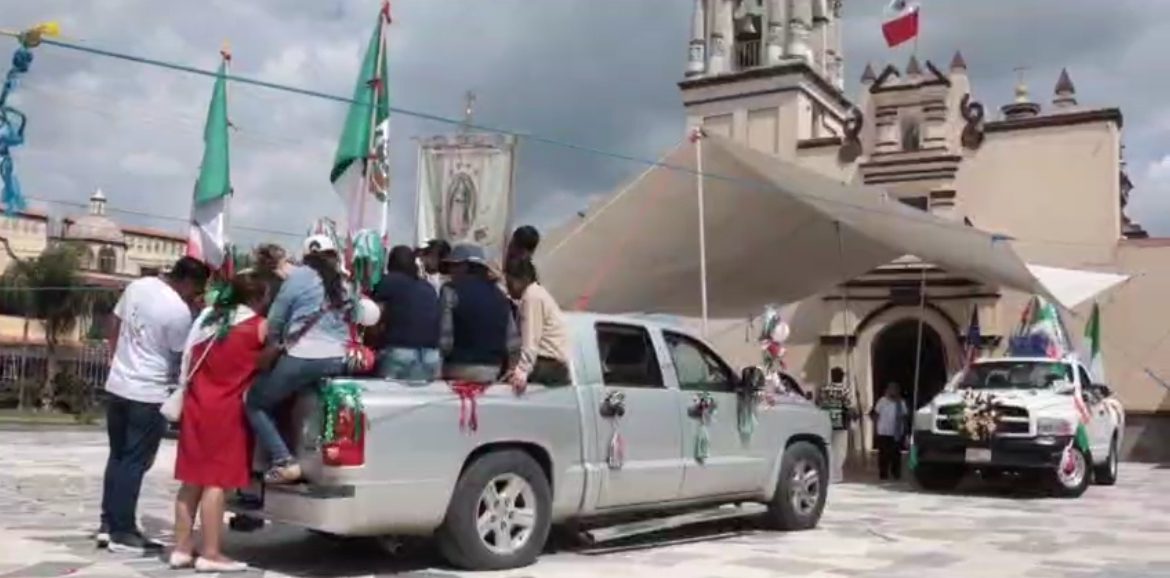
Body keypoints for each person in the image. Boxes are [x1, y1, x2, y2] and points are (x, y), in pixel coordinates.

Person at [97, 257, 210, 552]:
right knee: (136, 461)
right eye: (197, 289)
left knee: (118, 456)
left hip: (119, 384)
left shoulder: (139, 285)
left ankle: (108, 522)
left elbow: (115, 323)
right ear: (189, 282)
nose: (195, 295)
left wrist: (116, 360)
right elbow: (181, 352)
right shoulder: (177, 311)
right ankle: (123, 530)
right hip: (148, 392)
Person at [171, 273, 271, 573]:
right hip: (227, 409)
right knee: (216, 483)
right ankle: (211, 552)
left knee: (191, 481)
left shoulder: (207, 320)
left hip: (195, 405)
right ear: (257, 298)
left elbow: (186, 361)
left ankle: (181, 548)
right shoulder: (258, 326)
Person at [245, 235, 352, 484]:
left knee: (256, 403)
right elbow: (356, 315)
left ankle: (284, 460)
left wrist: (274, 344)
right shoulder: (345, 282)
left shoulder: (298, 277)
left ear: (305, 256)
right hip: (338, 357)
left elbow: (276, 320)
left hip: (303, 356)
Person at [439, 243, 520, 383]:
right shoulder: (500, 295)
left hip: (459, 368)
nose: (451, 271)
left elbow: (445, 340)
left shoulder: (450, 291)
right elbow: (512, 343)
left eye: (454, 266)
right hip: (493, 370)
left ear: (467, 266)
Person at [372, 245, 441, 380]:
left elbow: (375, 314)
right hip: (431, 355)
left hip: (400, 351)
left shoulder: (390, 281)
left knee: (387, 392)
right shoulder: (428, 287)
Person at [503, 258, 570, 391]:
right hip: (553, 364)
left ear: (522, 279)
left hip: (546, 363)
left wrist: (522, 371)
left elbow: (531, 338)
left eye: (510, 282)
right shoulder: (537, 293)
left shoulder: (531, 297)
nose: (508, 288)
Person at [871, 382, 909, 481]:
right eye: (891, 389)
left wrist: (905, 432)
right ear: (887, 390)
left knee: (896, 454)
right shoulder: (882, 401)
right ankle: (883, 473)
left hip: (896, 433)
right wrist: (875, 430)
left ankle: (896, 473)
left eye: (895, 389)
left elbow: (904, 418)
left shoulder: (901, 403)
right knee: (883, 454)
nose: (893, 391)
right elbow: (876, 415)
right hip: (883, 432)